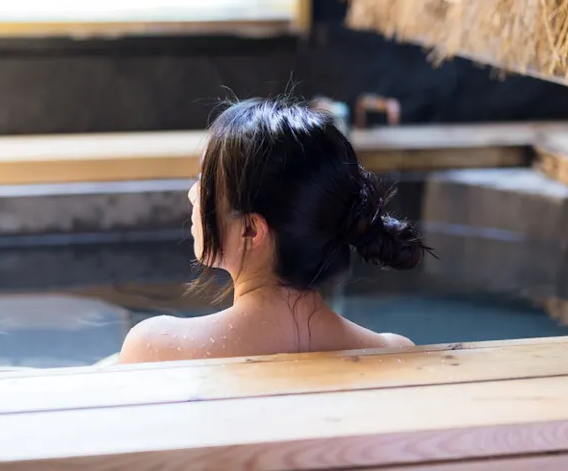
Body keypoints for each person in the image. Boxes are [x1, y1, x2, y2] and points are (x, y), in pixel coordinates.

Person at [118, 97, 433, 364]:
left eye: (206, 182)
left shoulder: (156, 349)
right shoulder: (393, 354)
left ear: (251, 231)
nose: (192, 194)